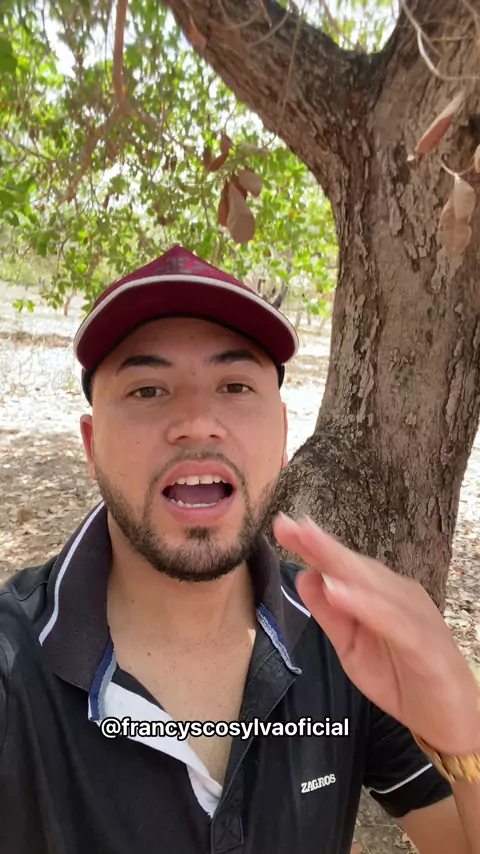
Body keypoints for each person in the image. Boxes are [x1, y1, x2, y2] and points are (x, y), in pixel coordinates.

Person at [0, 245, 478, 854]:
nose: (198, 421)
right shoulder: (14, 667)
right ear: (92, 447)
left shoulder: (343, 639)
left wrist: (466, 738)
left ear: (282, 435)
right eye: (148, 389)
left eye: (234, 385)